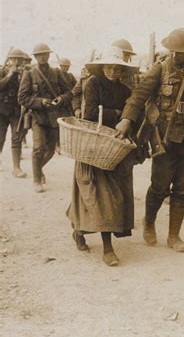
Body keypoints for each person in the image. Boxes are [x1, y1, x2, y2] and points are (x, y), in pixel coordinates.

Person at [116, 28, 184, 252]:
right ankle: (149, 223)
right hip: (164, 139)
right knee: (159, 187)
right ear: (170, 50)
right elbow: (139, 96)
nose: (179, 56)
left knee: (183, 188)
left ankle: (174, 236)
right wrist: (126, 120)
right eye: (176, 52)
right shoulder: (159, 69)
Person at [66, 47, 139, 266]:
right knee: (97, 196)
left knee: (107, 197)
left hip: (113, 149)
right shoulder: (93, 84)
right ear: (102, 68)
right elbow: (89, 115)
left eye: (117, 68)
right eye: (109, 67)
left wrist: (123, 118)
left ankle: (78, 228)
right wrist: (117, 114)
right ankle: (107, 248)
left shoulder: (126, 91)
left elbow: (133, 114)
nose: (113, 71)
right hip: (94, 145)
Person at [18, 43, 72, 193]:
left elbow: (69, 93)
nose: (43, 57)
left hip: (55, 117)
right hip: (38, 116)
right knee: (38, 147)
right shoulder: (29, 74)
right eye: (39, 55)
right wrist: (40, 102)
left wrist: (61, 98)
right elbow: (22, 98)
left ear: (49, 55)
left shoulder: (57, 73)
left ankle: (38, 169)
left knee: (50, 150)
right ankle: (36, 180)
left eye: (45, 54)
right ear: (35, 57)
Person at [0, 48, 28, 177]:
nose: (17, 61)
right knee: (0, 137)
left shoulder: (26, 73)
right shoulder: (2, 71)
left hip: (17, 110)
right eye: (14, 59)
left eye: (20, 59)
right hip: (1, 110)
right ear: (9, 60)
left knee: (17, 138)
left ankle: (16, 168)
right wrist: (9, 74)